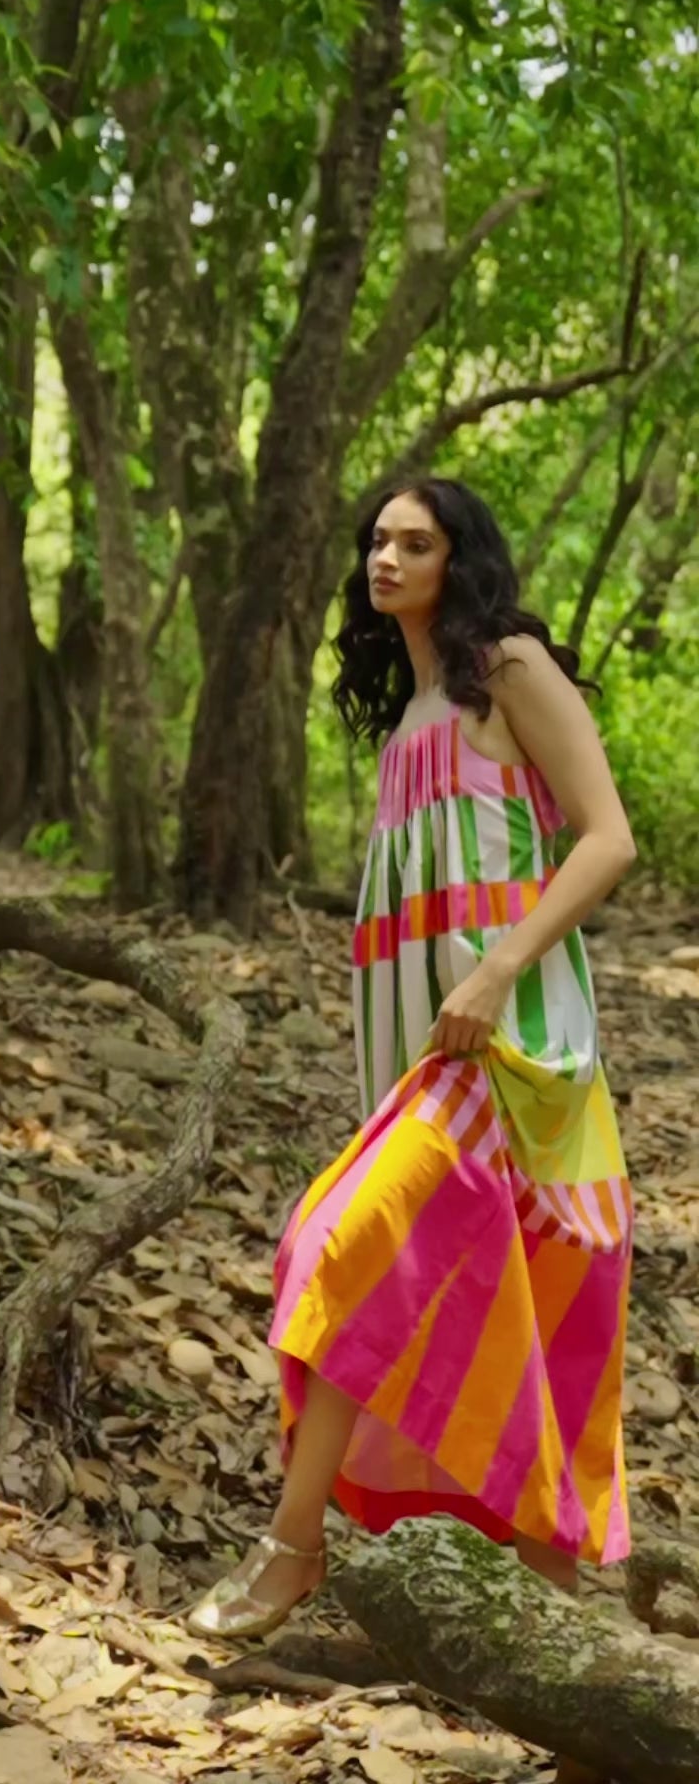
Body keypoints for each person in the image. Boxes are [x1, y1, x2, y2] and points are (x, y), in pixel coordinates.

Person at [189, 479, 635, 1649]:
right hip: (430, 1060)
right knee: (492, 1307)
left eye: (415, 542)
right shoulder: (408, 723)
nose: (386, 558)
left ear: (459, 558)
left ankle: (297, 1550)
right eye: (377, 542)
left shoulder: (509, 668)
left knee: (352, 1249)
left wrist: (497, 974)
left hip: (520, 1048)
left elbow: (609, 838)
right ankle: (549, 1639)